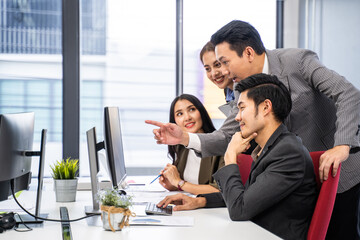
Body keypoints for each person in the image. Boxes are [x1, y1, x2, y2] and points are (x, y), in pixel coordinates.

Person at [146, 20, 360, 239]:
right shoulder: (242, 90)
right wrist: (184, 137)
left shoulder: (297, 61)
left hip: (336, 166)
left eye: (225, 62)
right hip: (291, 179)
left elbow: (348, 93)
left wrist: (341, 145)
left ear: (248, 53)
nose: (224, 72)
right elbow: (226, 135)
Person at [157, 74, 318, 240]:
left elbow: (239, 210)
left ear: (265, 107)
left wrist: (230, 156)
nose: (237, 117)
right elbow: (246, 196)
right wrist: (200, 201)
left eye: (242, 108)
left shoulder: (287, 153)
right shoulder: (271, 148)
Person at [158, 94, 224, 195]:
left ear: (201, 112)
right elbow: (188, 187)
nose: (187, 117)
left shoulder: (219, 144)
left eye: (192, 109)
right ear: (174, 122)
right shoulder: (182, 147)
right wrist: (173, 185)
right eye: (179, 114)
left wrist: (179, 182)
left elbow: (220, 190)